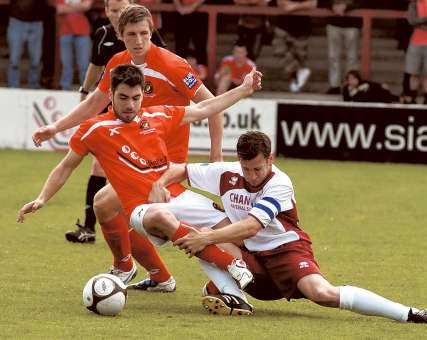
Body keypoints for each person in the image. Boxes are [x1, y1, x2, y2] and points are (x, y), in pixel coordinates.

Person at [18, 64, 262, 313]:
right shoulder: (94, 129)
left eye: (136, 98)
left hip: (179, 197)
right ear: (111, 94)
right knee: (157, 215)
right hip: (142, 210)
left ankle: (234, 293)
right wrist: (41, 198)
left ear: (143, 95)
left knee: (231, 234)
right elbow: (65, 167)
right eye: (123, 97)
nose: (130, 105)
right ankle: (228, 264)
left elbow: (203, 108)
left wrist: (243, 89)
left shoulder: (157, 116)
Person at [32, 4, 224, 293]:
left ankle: (231, 267)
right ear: (120, 35)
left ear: (152, 32)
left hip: (165, 164)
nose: (138, 40)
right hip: (138, 157)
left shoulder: (173, 65)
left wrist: (216, 158)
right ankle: (156, 274)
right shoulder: (118, 63)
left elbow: (212, 107)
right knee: (108, 205)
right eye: (131, 34)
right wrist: (55, 128)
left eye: (144, 33)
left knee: (124, 210)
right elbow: (95, 103)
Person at [149, 131, 427, 323]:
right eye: (246, 168)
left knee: (321, 294)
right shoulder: (227, 173)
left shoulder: (280, 183)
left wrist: (205, 237)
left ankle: (409, 314)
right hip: (249, 259)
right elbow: (182, 169)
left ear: (270, 160)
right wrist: (160, 183)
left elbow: (250, 227)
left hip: (286, 250)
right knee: (206, 235)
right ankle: (228, 289)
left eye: (257, 169)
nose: (251, 176)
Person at [65, 0, 130, 244]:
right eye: (113, 10)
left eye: (122, 9)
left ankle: (147, 225)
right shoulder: (102, 34)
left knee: (136, 166)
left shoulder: (145, 34)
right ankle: (89, 228)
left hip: (136, 109)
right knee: (98, 167)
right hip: (106, 105)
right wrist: (85, 91)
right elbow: (95, 66)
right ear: (106, 11)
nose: (117, 14)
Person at [274, 0, 316, 93]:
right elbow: (281, 3)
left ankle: (295, 84)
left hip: (302, 28)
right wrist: (302, 5)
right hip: (283, 27)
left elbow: (313, 3)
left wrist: (294, 7)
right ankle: (294, 80)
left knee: (300, 57)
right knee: (283, 55)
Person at [324, 0, 362, 95]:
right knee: (333, 56)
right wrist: (332, 5)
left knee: (352, 57)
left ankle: (351, 86)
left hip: (352, 22)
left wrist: (347, 6)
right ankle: (334, 86)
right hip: (333, 21)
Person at [7, 0, 47, 88]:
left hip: (37, 21)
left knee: (35, 61)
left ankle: (33, 86)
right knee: (14, 60)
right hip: (17, 20)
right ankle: (12, 87)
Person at [56, 0, 93, 90]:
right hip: (65, 31)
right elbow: (60, 9)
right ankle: (65, 89)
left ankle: (85, 89)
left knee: (84, 64)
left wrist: (68, 7)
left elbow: (87, 6)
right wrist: (79, 7)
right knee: (66, 64)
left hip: (83, 31)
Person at [173, 0, 208, 67]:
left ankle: (202, 75)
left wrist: (192, 7)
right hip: (181, 12)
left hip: (200, 11)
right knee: (180, 46)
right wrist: (178, 6)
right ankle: (180, 72)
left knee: (200, 46)